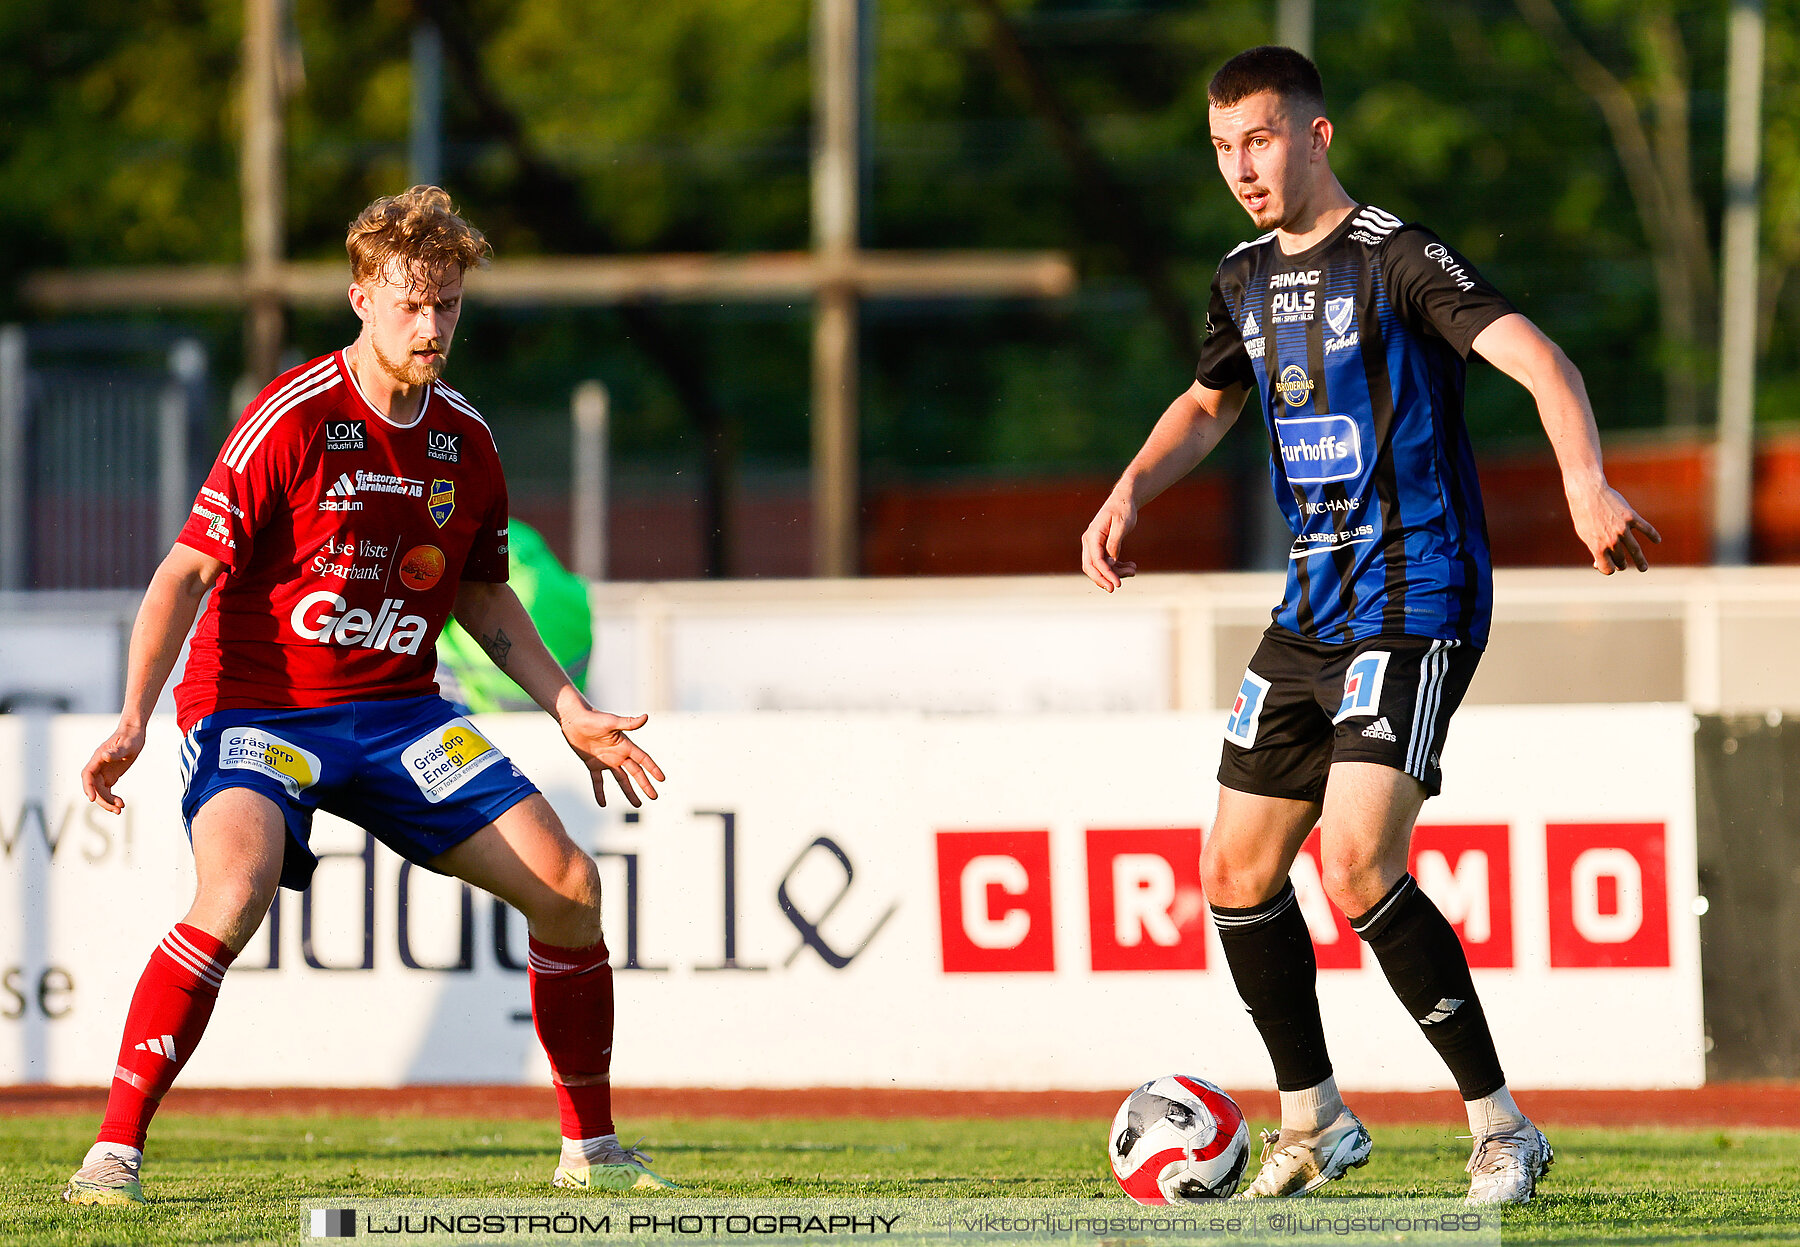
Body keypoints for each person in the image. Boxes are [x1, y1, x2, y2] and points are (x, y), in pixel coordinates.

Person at [1080, 48, 1660, 1206]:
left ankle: (1501, 1125)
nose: (1241, 167)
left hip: (1419, 592)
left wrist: (1585, 484)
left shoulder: (1396, 257)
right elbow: (1208, 401)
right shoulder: (1242, 277)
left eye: (1260, 139)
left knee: (1354, 858)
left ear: (1316, 135)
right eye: (1222, 147)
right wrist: (1133, 486)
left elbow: (1541, 359)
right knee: (1233, 870)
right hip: (1311, 606)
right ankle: (1315, 1118)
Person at [64, 186, 673, 1206]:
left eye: (447, 304)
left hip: (396, 713)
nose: (430, 325)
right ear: (360, 299)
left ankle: (593, 1155)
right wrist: (134, 712)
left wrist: (566, 706)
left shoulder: (465, 440)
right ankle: (111, 1156)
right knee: (234, 889)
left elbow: (483, 593)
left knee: (568, 883)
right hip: (257, 706)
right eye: (409, 304)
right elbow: (181, 573)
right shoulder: (292, 415)